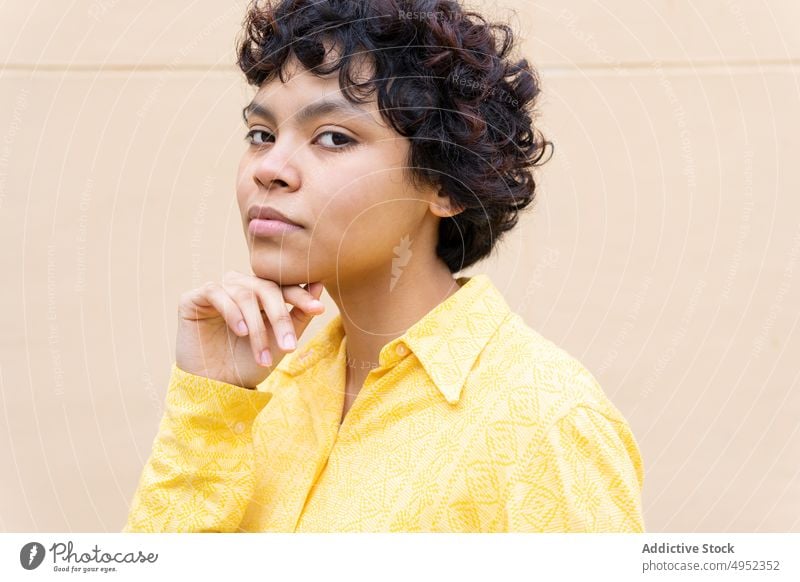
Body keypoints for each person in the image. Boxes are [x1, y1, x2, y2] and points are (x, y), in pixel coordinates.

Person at [123, 0, 644, 532]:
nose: (271, 169)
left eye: (333, 138)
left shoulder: (546, 423)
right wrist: (212, 405)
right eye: (261, 135)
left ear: (444, 184)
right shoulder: (269, 392)